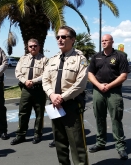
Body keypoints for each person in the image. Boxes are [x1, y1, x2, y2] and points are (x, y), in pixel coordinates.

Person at [42, 26, 89, 165]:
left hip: (71, 105)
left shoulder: (80, 59)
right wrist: (51, 95)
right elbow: (45, 80)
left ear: (72, 40)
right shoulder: (53, 60)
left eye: (64, 37)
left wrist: (62, 97)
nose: (60, 40)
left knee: (76, 143)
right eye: (58, 37)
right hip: (54, 105)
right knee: (59, 141)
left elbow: (80, 84)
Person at [88, 34, 130, 160]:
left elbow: (123, 75)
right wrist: (99, 86)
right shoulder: (96, 57)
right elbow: (90, 74)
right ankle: (101, 143)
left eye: (106, 40)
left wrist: (109, 86)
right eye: (102, 41)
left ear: (112, 42)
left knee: (116, 118)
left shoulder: (120, 56)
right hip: (98, 91)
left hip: (114, 92)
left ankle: (120, 146)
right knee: (99, 117)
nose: (104, 42)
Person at [10, 39, 48, 145]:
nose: (33, 48)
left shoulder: (45, 60)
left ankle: (37, 134)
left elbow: (46, 74)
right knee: (23, 113)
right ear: (28, 47)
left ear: (39, 47)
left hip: (39, 90)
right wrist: (25, 81)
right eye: (30, 46)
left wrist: (33, 81)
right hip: (26, 90)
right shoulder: (23, 59)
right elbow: (17, 72)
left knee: (39, 114)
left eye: (35, 46)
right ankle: (21, 135)